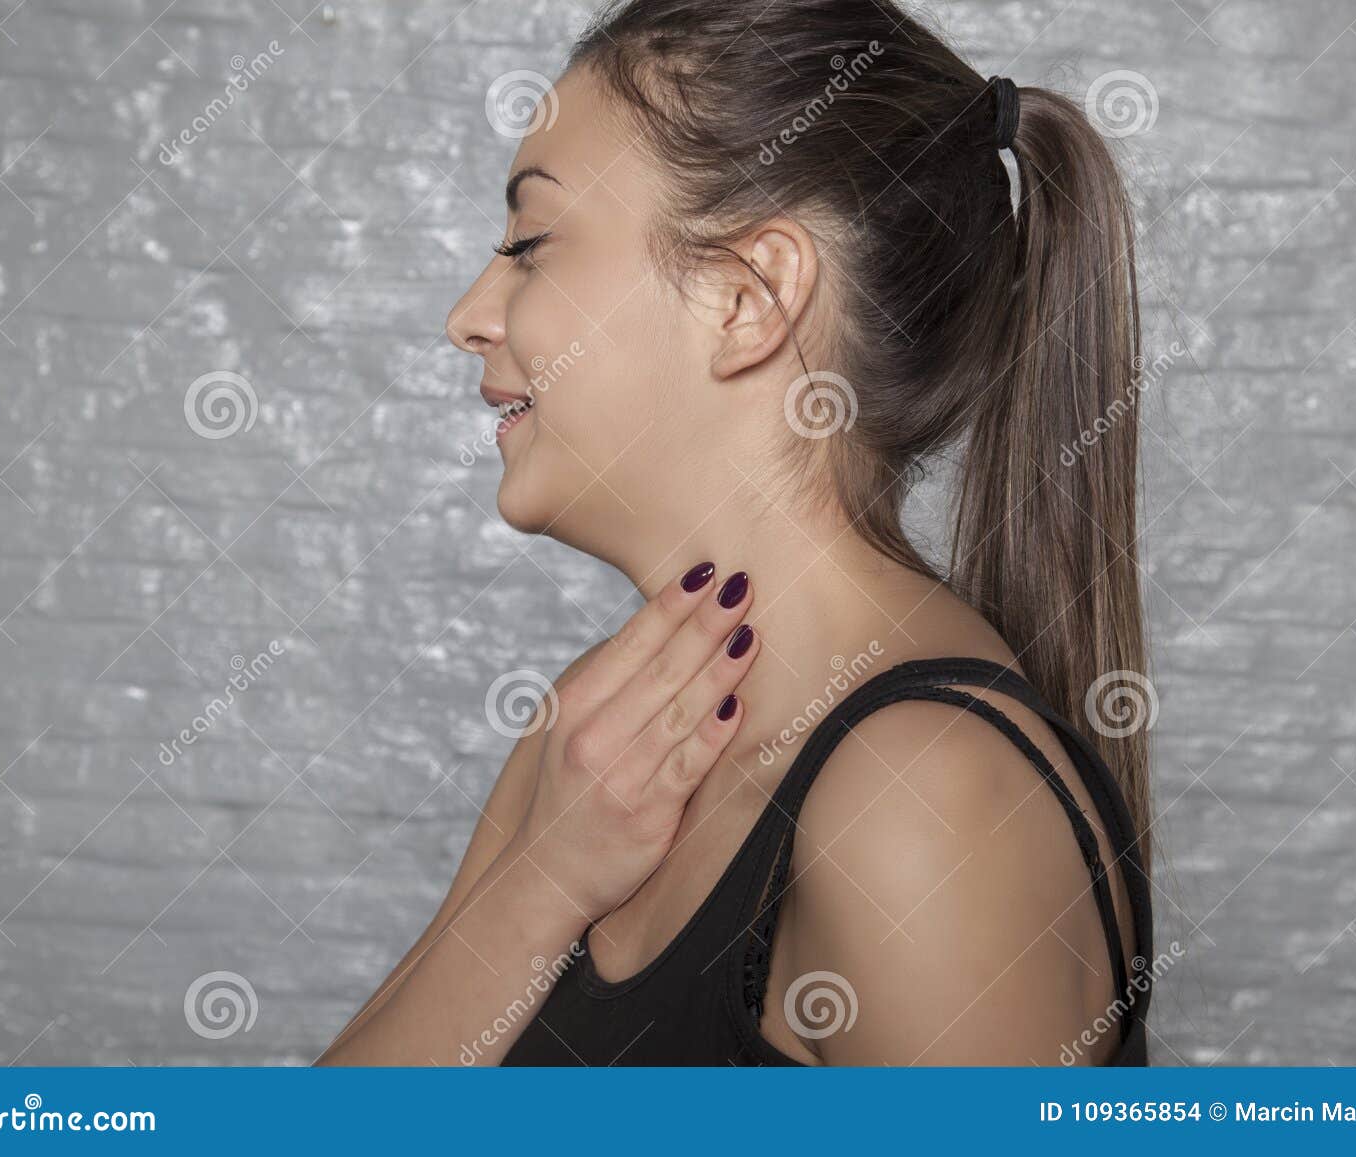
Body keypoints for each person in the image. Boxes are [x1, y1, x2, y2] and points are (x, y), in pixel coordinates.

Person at [319, 0, 1155, 1066]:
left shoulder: (928, 808)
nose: (469, 315)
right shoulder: (595, 743)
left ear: (747, 300)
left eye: (529, 244)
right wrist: (540, 883)